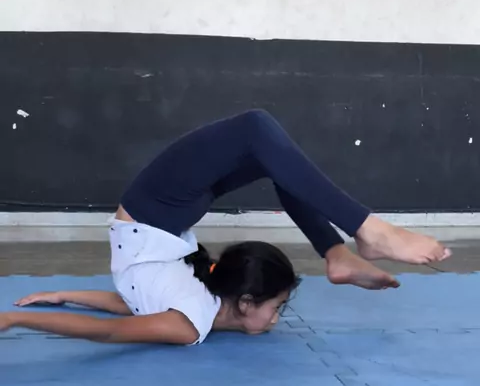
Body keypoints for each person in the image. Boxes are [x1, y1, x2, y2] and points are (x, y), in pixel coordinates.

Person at [0, 109, 450, 346]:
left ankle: (351, 240)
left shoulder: (186, 322)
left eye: (277, 308)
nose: (277, 318)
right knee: (264, 144)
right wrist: (52, 300)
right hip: (160, 218)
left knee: (258, 132)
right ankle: (347, 242)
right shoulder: (196, 306)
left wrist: (33, 310)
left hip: (155, 211)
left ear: (244, 302)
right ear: (244, 301)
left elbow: (121, 319)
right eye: (277, 306)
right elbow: (128, 310)